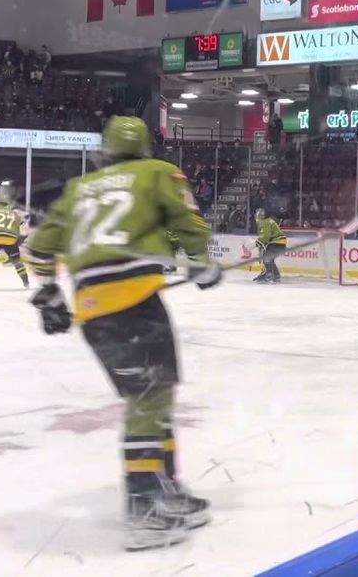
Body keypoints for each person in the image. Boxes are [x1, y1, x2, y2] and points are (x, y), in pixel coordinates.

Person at [24, 116, 220, 551]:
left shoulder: (78, 189)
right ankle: (145, 507)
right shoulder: (156, 173)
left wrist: (51, 292)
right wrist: (200, 258)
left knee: (155, 396)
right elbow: (182, 221)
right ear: (145, 145)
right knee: (150, 400)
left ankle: (165, 490)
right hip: (136, 304)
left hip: (95, 311)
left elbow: (38, 248)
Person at [254, 208, 287, 283]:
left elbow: (265, 237)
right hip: (280, 244)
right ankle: (276, 275)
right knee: (269, 259)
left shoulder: (265, 222)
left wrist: (257, 242)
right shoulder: (269, 221)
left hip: (276, 243)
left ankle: (269, 275)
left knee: (266, 258)